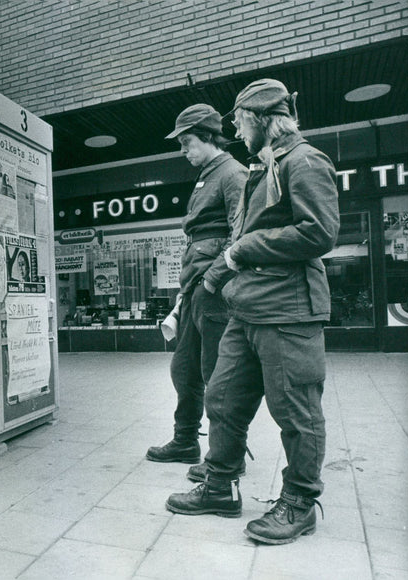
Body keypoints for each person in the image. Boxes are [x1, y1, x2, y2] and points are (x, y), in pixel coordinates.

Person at [165, 79, 340, 545]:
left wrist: (243, 252)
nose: (238, 132)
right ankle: (219, 487)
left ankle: (299, 504)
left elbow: (320, 232)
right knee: (221, 398)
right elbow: (241, 240)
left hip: (287, 310)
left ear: (262, 119)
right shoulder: (264, 167)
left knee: (296, 411)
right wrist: (221, 272)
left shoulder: (304, 160)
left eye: (241, 122)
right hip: (248, 308)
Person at [146, 104, 247, 480]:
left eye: (187, 142)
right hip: (195, 289)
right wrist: (191, 288)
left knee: (218, 376)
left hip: (214, 289)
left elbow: (241, 234)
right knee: (184, 370)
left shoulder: (232, 173)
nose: (183, 150)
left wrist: (211, 279)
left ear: (207, 137)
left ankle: (225, 457)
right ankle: (186, 440)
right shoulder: (209, 174)